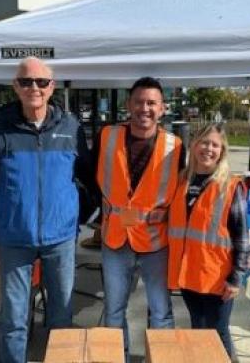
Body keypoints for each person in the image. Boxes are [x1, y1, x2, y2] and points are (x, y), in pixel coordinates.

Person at [0, 57, 93, 363]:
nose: (34, 88)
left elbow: (89, 177)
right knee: (14, 320)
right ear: (15, 86)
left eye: (42, 82)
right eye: (26, 81)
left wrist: (77, 216)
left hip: (60, 240)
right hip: (14, 239)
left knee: (61, 317)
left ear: (51, 87)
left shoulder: (70, 128)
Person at [94, 77, 185, 358]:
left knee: (161, 310)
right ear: (128, 105)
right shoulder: (107, 136)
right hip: (115, 239)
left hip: (155, 242)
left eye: (151, 103)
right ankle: (115, 357)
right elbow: (87, 175)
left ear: (162, 109)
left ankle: (161, 357)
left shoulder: (176, 146)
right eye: (139, 102)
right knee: (113, 310)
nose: (144, 108)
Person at [167, 123, 249, 363]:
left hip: (217, 278)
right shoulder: (182, 182)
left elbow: (242, 237)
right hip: (189, 275)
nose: (208, 149)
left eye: (215, 144)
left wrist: (236, 278)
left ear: (222, 151)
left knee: (217, 331)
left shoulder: (230, 186)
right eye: (204, 142)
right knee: (199, 329)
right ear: (193, 145)